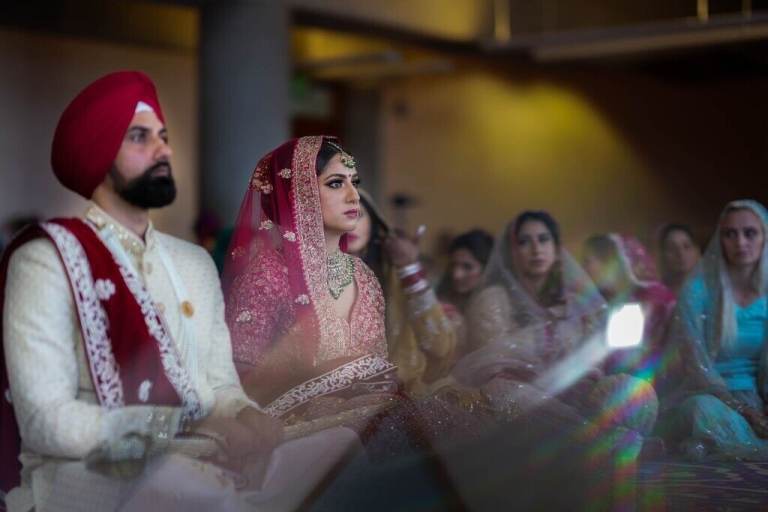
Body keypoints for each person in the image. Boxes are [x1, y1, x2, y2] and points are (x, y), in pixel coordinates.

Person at [0, 71, 349, 512]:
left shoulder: (193, 263)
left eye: (163, 137)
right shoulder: (47, 260)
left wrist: (246, 415)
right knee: (203, 492)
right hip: (97, 471)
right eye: (139, 137)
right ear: (99, 154)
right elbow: (45, 421)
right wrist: (181, 430)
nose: (163, 149)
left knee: (341, 445)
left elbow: (219, 385)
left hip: (205, 455)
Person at [223, 137, 398, 423]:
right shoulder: (267, 274)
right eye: (336, 183)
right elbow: (242, 387)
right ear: (298, 193)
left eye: (354, 182)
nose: (354, 196)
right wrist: (329, 378)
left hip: (367, 426)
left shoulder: (364, 276)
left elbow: (378, 373)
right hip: (290, 431)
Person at [462, 211, 658, 448]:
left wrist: (585, 380)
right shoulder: (493, 300)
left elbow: (595, 359)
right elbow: (488, 365)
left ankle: (604, 440)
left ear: (556, 249)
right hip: (517, 395)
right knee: (504, 391)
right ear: (512, 252)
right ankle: (594, 441)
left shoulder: (576, 302)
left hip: (576, 391)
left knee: (634, 390)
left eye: (543, 239)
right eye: (524, 242)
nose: (536, 249)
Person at [661, 200, 768, 460]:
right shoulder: (697, 291)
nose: (740, 242)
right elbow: (696, 368)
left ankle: (710, 444)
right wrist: (742, 410)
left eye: (750, 233)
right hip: (709, 396)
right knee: (703, 411)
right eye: (730, 234)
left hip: (758, 398)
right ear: (720, 241)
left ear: (765, 236)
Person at [346, 190, 460, 396]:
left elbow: (440, 346)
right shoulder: (309, 275)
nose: (350, 225)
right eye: (338, 216)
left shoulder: (394, 273)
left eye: (357, 214)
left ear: (373, 224)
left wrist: (410, 269)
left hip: (401, 392)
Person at [582, 234, 676, 383]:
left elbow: (624, 362)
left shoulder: (649, 300)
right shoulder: (602, 303)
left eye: (588, 261)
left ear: (609, 262)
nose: (584, 268)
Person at [437, 229, 494, 315]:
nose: (456, 275)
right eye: (453, 265)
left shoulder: (492, 303)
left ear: (487, 268)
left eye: (467, 267)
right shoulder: (446, 293)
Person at [658, 223, 701, 296]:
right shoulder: (655, 293)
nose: (681, 253)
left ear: (697, 252)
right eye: (672, 248)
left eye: (686, 246)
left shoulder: (713, 291)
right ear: (662, 256)